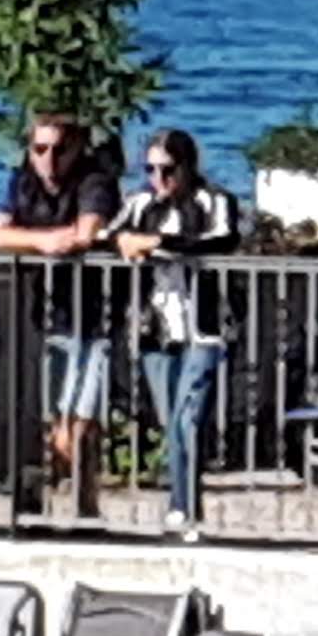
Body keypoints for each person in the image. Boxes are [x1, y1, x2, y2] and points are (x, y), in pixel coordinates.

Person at [115, 128, 249, 539]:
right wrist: (126, 242)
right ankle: (181, 502)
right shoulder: (139, 204)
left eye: (167, 170)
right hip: (157, 327)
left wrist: (156, 243)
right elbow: (111, 237)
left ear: (187, 167)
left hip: (203, 325)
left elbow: (220, 241)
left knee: (187, 417)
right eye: (151, 169)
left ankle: (183, 508)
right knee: (168, 417)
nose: (159, 179)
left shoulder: (215, 202)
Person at [0, 115, 119, 519]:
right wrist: (42, 242)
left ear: (78, 149)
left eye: (59, 149)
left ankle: (86, 508)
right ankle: (36, 504)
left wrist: (38, 241)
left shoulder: (94, 182)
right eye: (39, 149)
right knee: (44, 419)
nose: (48, 159)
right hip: (40, 314)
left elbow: (83, 234)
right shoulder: (23, 180)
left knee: (80, 423)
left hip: (94, 315)